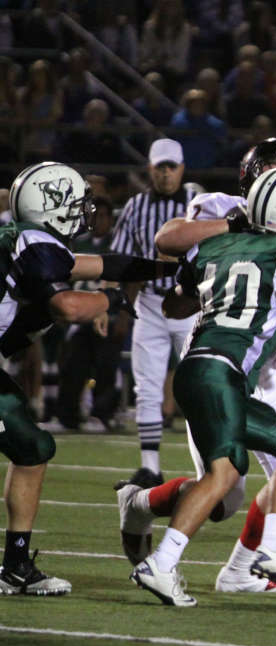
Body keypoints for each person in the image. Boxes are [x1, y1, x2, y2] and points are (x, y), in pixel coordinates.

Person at [120, 138, 276, 594]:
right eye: (275, 173)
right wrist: (239, 231)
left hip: (268, 362)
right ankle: (142, 504)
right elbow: (167, 240)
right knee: (225, 495)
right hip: (217, 353)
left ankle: (243, 569)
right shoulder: (223, 208)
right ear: (252, 179)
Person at [0, 162, 172, 596]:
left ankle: (16, 566)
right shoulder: (35, 243)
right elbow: (67, 308)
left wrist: (161, 270)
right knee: (32, 446)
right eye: (76, 203)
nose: (84, 212)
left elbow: (100, 262)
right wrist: (108, 300)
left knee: (33, 447)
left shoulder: (27, 240)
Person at [111, 139, 198, 484]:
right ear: (150, 168)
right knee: (146, 387)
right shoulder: (136, 206)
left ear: (182, 168)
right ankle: (150, 466)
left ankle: (208, 468)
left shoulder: (199, 204)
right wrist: (117, 304)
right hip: (149, 303)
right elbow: (121, 261)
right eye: (160, 167)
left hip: (192, 305)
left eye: (171, 167)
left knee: (199, 386)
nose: (165, 173)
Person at [49, 196, 125, 432]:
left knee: (105, 365)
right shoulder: (79, 243)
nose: (98, 220)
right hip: (81, 315)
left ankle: (102, 416)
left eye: (103, 215)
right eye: (95, 215)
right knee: (73, 365)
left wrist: (123, 316)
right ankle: (67, 417)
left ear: (111, 219)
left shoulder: (117, 243)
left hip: (108, 316)